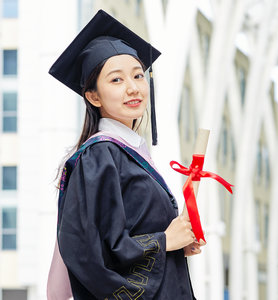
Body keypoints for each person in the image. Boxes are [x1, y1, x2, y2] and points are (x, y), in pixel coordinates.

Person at [46, 10, 200, 299]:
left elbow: (130, 239)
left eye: (138, 75)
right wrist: (164, 241)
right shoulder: (99, 156)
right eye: (116, 80)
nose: (133, 88)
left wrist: (177, 246)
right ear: (93, 96)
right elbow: (93, 251)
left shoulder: (129, 153)